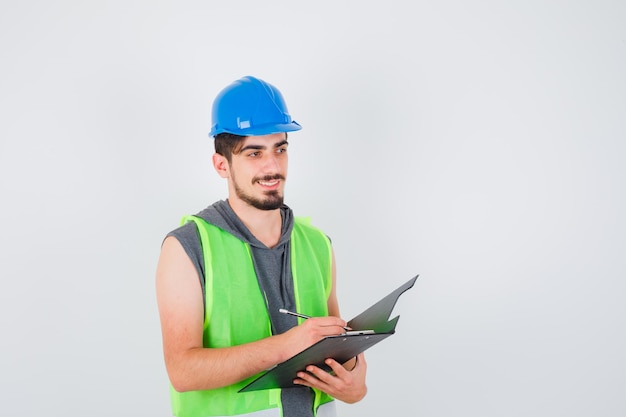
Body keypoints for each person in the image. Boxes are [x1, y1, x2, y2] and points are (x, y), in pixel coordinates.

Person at [156, 75, 367, 417]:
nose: (272, 167)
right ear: (222, 165)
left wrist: (355, 382)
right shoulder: (187, 248)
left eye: (279, 149)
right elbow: (182, 371)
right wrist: (289, 345)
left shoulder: (317, 244)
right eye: (254, 153)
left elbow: (339, 347)